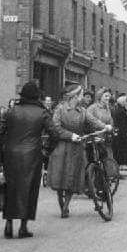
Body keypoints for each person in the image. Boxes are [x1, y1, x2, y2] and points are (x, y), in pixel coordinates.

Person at [2, 82, 67, 237]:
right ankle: (23, 226)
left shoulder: (11, 111)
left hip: (11, 154)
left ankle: (8, 224)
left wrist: (2, 150)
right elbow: (55, 134)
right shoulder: (42, 112)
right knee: (29, 189)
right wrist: (46, 151)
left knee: (11, 188)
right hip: (32, 155)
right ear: (37, 95)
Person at [48, 85, 90, 218]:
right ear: (75, 96)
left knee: (72, 177)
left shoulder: (82, 110)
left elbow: (93, 121)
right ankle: (62, 203)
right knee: (60, 177)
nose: (83, 97)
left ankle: (66, 206)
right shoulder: (60, 109)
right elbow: (55, 127)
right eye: (82, 94)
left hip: (76, 148)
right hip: (62, 146)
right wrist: (70, 135)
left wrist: (105, 126)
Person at [112, 94, 127, 168]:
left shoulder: (121, 110)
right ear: (123, 102)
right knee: (119, 153)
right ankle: (117, 170)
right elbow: (123, 124)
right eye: (126, 101)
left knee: (119, 153)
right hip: (121, 135)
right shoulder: (121, 111)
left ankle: (118, 170)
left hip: (120, 134)